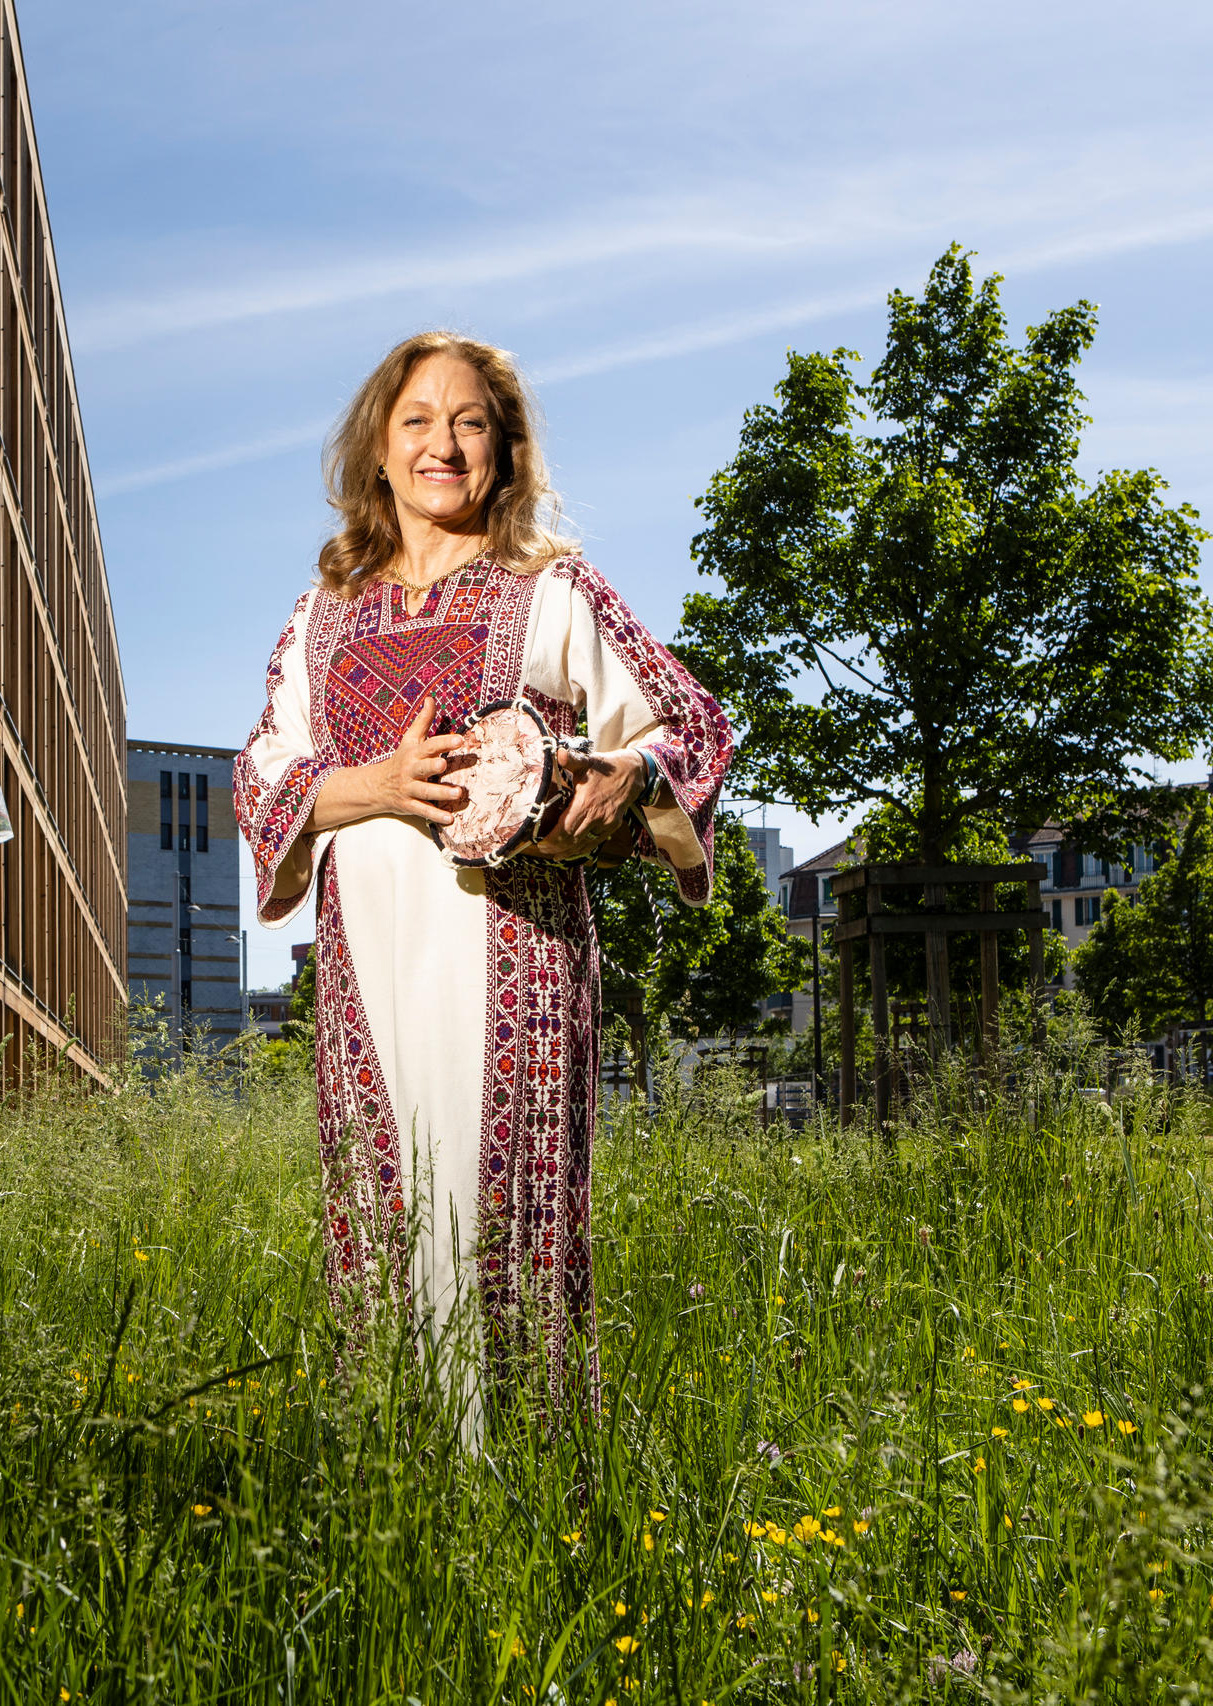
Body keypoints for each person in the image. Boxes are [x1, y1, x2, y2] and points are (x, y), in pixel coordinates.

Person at [232, 331, 731, 1434]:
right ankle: (397, 1479)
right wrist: (379, 782)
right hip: (365, 950)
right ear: (377, 448)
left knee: (503, 1209)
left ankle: (526, 1477)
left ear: (504, 454)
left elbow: (688, 725)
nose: (441, 444)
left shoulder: (553, 589)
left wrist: (620, 775)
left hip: (515, 946)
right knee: (385, 1201)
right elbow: (262, 773)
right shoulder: (321, 613)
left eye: (469, 423)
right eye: (417, 420)